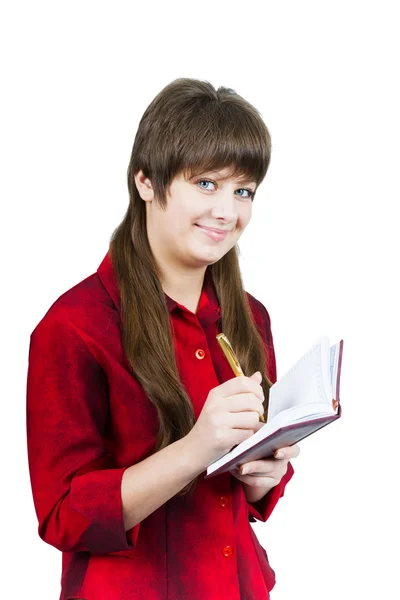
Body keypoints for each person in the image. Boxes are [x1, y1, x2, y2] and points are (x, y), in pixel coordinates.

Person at [26, 77, 299, 600]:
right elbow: (63, 516)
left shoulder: (250, 318)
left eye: (243, 190)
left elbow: (248, 495)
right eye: (206, 184)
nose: (228, 212)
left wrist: (263, 476)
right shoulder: (75, 326)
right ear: (146, 181)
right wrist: (196, 447)